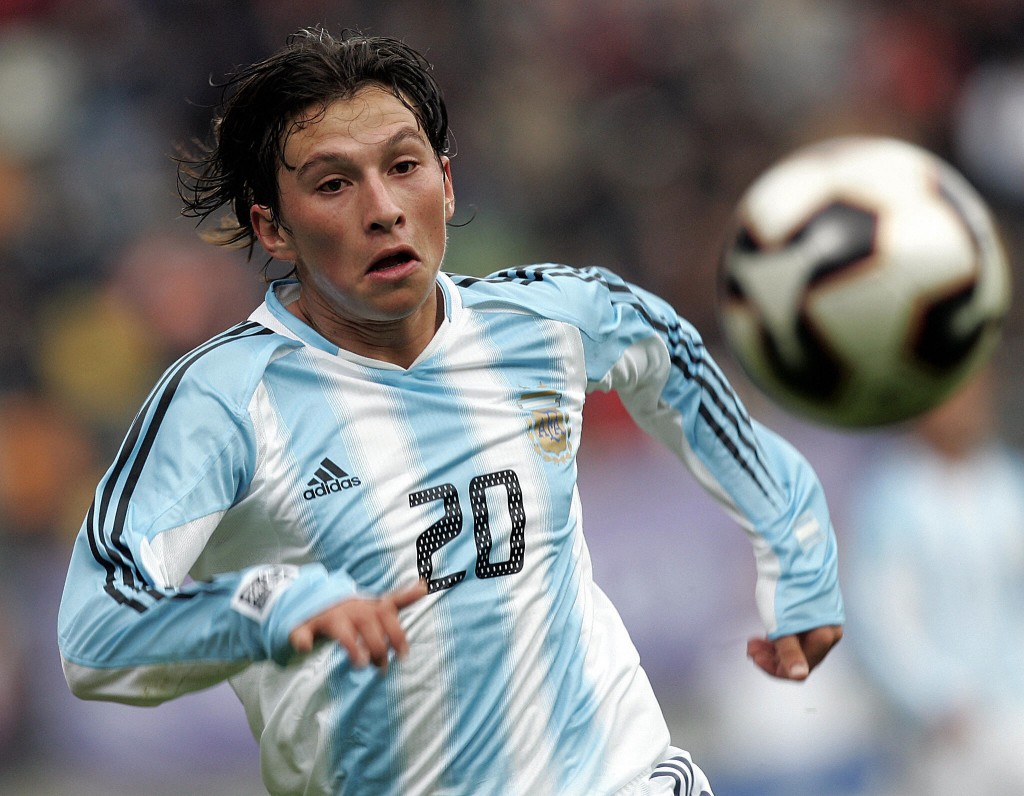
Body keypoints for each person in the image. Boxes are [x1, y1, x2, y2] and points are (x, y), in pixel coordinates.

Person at [57, 27, 844, 796]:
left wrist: (796, 546)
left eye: (403, 168)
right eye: (334, 184)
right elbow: (95, 639)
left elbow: (679, 371)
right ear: (272, 226)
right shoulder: (224, 399)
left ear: (447, 181)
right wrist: (268, 606)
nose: (383, 209)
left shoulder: (549, 321)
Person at [844, 366, 1024, 795]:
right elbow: (880, 620)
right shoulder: (892, 497)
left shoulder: (1007, 483)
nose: (963, 408)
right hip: (943, 732)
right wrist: (936, 699)